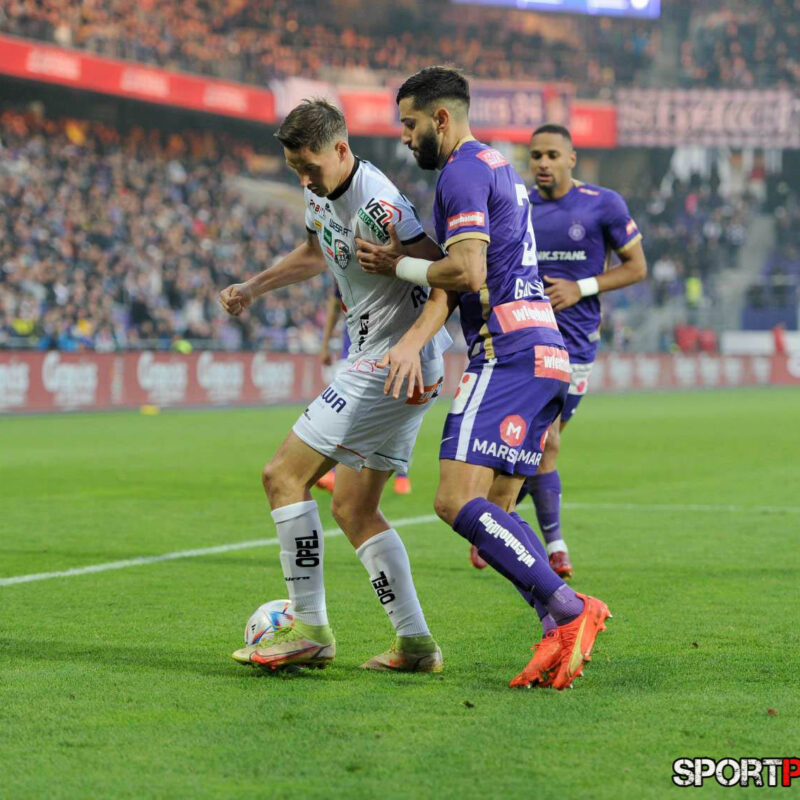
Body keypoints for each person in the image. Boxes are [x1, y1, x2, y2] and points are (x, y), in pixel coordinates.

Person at [356, 67, 610, 690]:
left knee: (452, 501)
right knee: (492, 514)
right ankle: (557, 623)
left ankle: (571, 609)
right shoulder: (499, 168)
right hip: (544, 351)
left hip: (508, 352)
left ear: (441, 119)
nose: (405, 137)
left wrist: (397, 263)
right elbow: (469, 271)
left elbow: (466, 273)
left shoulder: (462, 173)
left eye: (411, 124)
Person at [220, 99, 451, 674]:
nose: (303, 179)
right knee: (352, 507)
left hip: (391, 362)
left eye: (310, 167)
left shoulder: (380, 204)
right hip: (396, 364)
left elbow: (449, 278)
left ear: (342, 149)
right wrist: (254, 286)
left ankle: (309, 629)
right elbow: (313, 251)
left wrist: (409, 343)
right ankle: (416, 644)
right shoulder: (320, 191)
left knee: (282, 475)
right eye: (295, 169)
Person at [470, 124, 647, 579]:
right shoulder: (519, 205)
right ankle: (553, 546)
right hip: (527, 339)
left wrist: (580, 287)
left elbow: (636, 267)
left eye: (552, 155)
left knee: (536, 444)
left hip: (578, 341)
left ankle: (495, 521)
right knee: (543, 441)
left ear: (571, 158)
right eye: (536, 156)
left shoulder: (603, 203)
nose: (543, 163)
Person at [317, 286, 413, 495]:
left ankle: (401, 473)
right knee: (345, 413)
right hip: (351, 355)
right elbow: (334, 308)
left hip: (389, 352)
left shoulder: (392, 271)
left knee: (397, 414)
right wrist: (325, 346)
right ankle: (332, 470)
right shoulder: (342, 272)